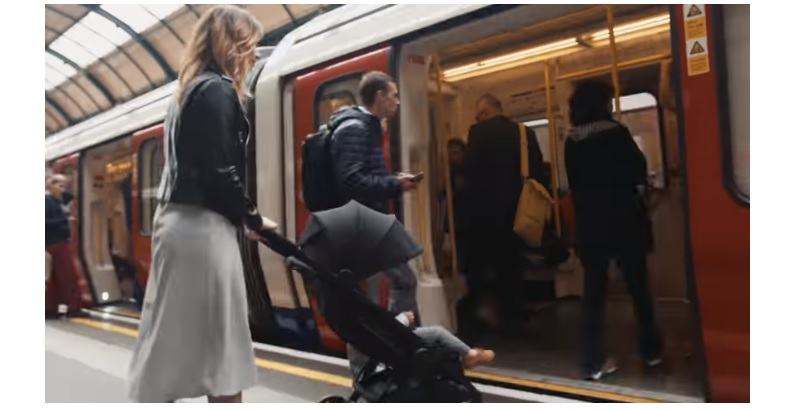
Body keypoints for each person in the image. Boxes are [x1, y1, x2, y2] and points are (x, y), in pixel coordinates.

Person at [127, 6, 277, 403]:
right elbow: (219, 169)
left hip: (181, 224)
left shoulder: (185, 92)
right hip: (203, 230)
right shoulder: (215, 89)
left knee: (170, 339)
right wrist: (253, 218)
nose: (254, 54)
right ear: (234, 43)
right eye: (251, 44)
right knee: (223, 345)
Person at [564, 79, 663, 381]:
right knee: (639, 290)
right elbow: (637, 171)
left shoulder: (572, 141)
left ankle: (591, 363)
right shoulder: (617, 134)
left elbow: (576, 187)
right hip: (624, 223)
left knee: (593, 296)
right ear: (601, 104)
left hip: (591, 226)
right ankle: (651, 351)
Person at [329, 71, 421, 318]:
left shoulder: (366, 127)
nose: (398, 101)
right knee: (403, 281)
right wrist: (395, 185)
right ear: (379, 96)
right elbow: (352, 181)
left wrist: (394, 180)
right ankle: (400, 344)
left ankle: (381, 348)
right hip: (366, 222)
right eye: (394, 95)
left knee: (366, 294)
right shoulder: (356, 129)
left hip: (367, 221)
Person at [461, 93, 549, 334]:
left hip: (487, 211)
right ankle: (514, 316)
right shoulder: (525, 133)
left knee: (483, 264)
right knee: (513, 264)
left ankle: (483, 316)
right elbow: (537, 170)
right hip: (519, 209)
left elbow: (470, 170)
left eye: (479, 115)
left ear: (487, 112)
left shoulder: (478, 132)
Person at [395, 311, 495, 369]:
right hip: (394, 334)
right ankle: (470, 354)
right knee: (437, 333)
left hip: (394, 333)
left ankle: (463, 358)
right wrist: (404, 318)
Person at [45, 174, 83, 318]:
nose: (63, 189)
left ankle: (57, 309)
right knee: (65, 277)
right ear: (50, 186)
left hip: (58, 242)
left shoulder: (58, 201)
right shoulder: (46, 201)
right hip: (54, 243)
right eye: (59, 186)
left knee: (59, 278)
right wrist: (64, 220)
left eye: (64, 186)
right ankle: (71, 308)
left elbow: (71, 195)